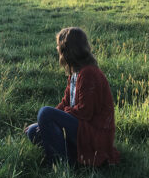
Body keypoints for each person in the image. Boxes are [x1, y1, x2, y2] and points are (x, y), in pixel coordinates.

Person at [25, 27, 120, 166]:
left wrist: (53, 118)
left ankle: (61, 163)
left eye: (59, 45)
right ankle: (71, 157)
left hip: (95, 135)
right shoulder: (75, 73)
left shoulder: (89, 74)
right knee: (34, 130)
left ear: (67, 49)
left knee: (45, 112)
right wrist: (43, 122)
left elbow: (84, 112)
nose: (57, 48)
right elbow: (65, 103)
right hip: (82, 129)